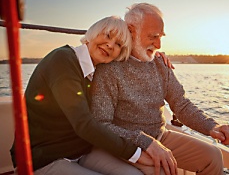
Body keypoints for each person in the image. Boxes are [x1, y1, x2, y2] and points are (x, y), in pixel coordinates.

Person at [10, 16, 172, 175]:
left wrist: (153, 55)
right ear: (93, 33)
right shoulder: (62, 60)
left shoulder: (97, 72)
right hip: (41, 157)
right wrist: (136, 153)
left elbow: (135, 59)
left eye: (118, 44)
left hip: (81, 151)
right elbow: (84, 123)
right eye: (107, 35)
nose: (110, 45)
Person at [91, 3, 229, 175]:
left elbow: (180, 104)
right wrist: (145, 142)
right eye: (153, 37)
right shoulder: (109, 68)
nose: (159, 44)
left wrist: (212, 127)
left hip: (160, 137)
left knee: (213, 156)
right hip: (125, 145)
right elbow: (101, 124)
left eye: (161, 36)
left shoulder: (160, 63)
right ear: (131, 31)